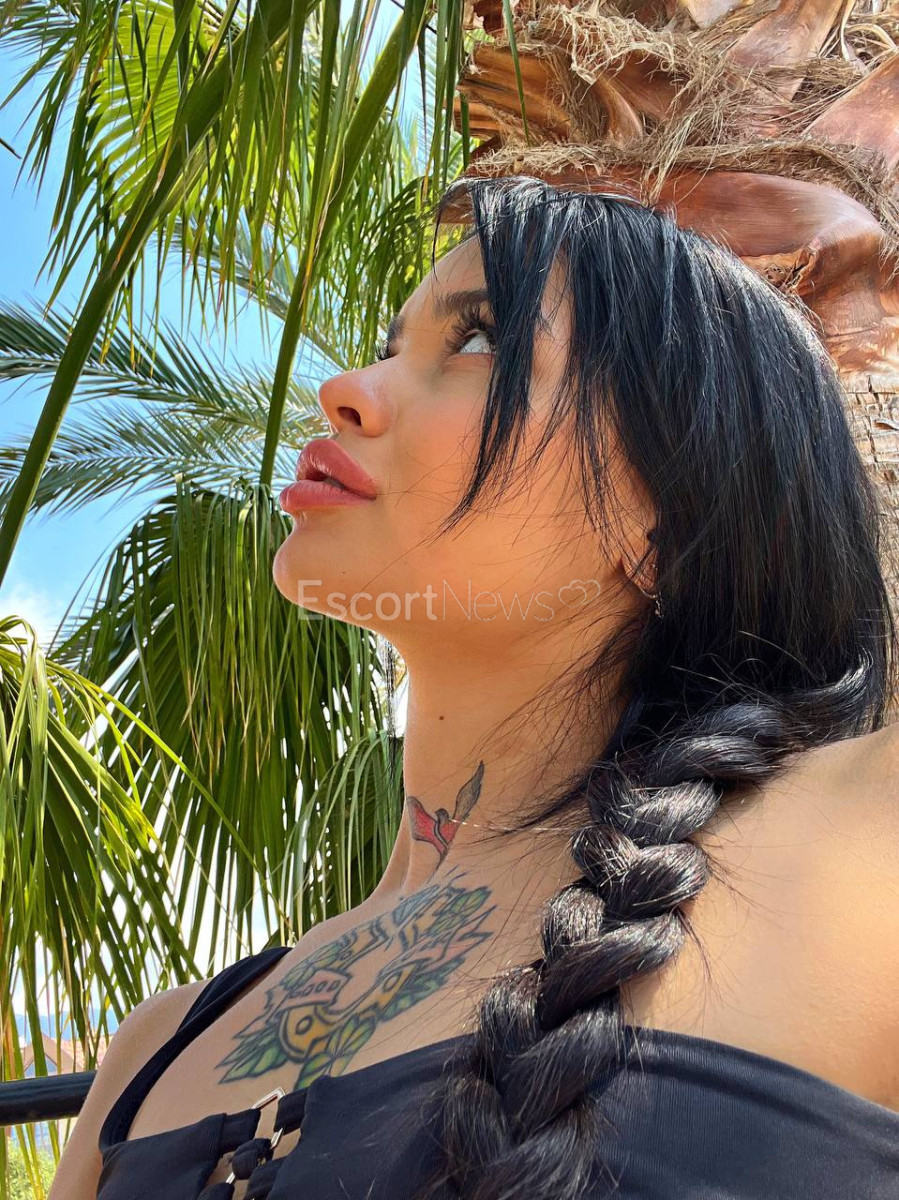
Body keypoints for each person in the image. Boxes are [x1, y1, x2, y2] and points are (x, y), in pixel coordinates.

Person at [50, 174, 899, 1200]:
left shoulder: (865, 841)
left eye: (480, 338)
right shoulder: (156, 1048)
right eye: (389, 343)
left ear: (672, 515)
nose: (344, 387)